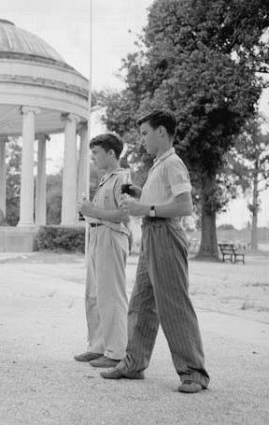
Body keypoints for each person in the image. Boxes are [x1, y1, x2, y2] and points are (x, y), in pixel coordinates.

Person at [100, 110, 210, 393]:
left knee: (173, 304)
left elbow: (184, 206)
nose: (142, 140)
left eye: (145, 134)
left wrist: (144, 208)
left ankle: (194, 373)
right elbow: (162, 199)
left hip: (165, 235)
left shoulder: (173, 164)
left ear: (162, 132)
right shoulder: (159, 165)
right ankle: (133, 363)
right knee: (141, 303)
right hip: (151, 235)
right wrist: (140, 194)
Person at [74, 133, 131, 368]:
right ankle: (97, 346)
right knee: (94, 295)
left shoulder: (123, 179)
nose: (93, 158)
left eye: (96, 153)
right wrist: (87, 210)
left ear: (111, 153)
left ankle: (116, 352)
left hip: (111, 236)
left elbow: (125, 214)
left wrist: (93, 211)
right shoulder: (104, 180)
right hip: (97, 236)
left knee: (111, 295)